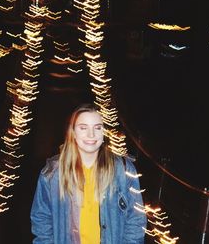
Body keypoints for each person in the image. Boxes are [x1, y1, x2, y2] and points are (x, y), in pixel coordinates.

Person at [30, 103, 147, 243]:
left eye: (97, 127)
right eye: (83, 128)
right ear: (73, 132)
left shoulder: (123, 170)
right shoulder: (52, 174)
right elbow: (41, 220)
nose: (91, 134)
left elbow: (136, 220)